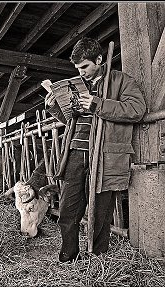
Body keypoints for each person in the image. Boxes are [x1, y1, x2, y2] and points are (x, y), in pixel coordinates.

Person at [45, 37, 146, 263]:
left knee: (101, 211)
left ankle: (97, 259)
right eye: (77, 68)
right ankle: (68, 256)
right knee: (68, 208)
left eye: (85, 67)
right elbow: (69, 119)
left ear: (99, 59)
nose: (81, 72)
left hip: (105, 155)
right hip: (74, 152)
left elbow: (136, 110)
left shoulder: (121, 81)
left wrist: (96, 104)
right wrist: (54, 106)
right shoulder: (78, 84)